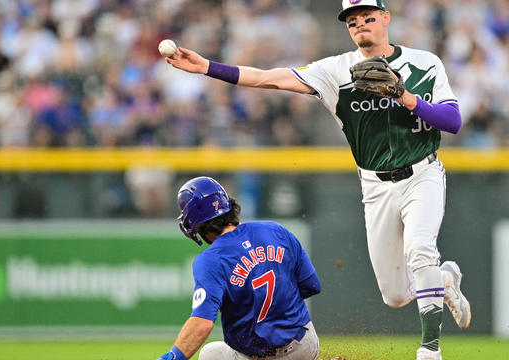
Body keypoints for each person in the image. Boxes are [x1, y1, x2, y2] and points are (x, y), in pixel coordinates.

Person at [165, 1, 470, 359]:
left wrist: (404, 97)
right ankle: (443, 279)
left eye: (368, 17)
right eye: (353, 21)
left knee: (421, 251)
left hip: (423, 172)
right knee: (396, 295)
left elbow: (452, 121)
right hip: (375, 185)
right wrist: (207, 68)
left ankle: (429, 350)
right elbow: (269, 78)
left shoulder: (424, 62)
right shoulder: (335, 70)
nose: (360, 25)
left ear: (386, 18)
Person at [156, 176, 321, 360]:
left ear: (197, 223)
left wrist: (173, 356)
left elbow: (202, 324)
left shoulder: (210, 260)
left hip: (259, 356)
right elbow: (312, 285)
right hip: (304, 345)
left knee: (210, 354)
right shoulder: (275, 230)